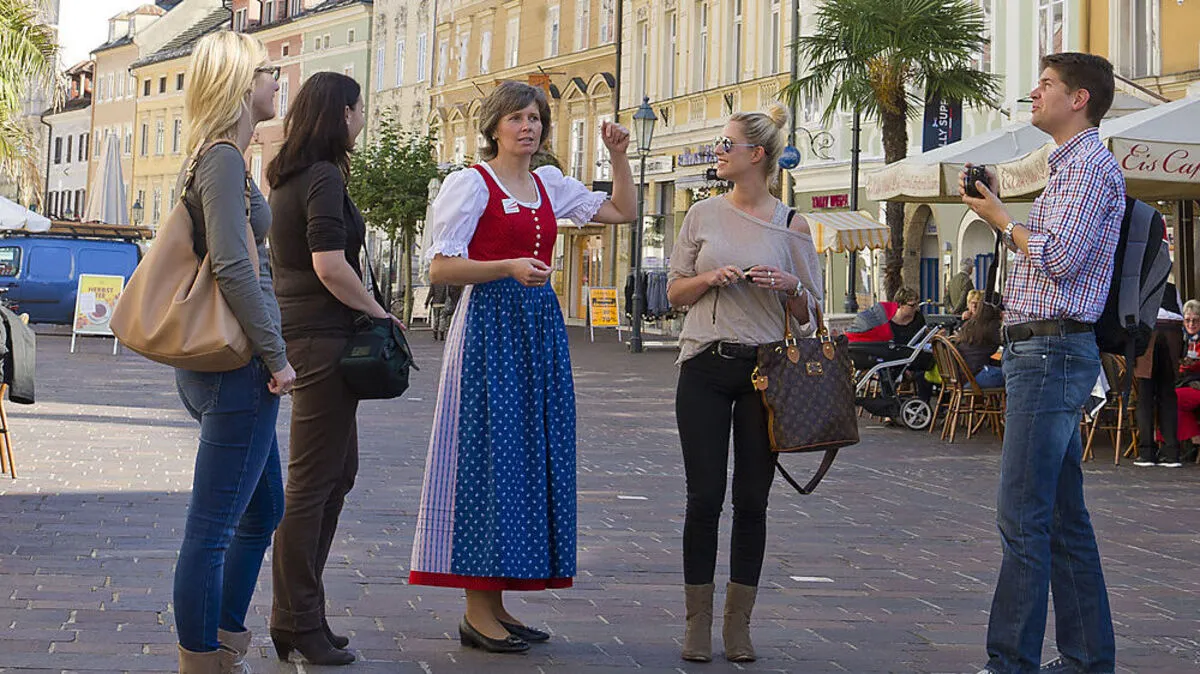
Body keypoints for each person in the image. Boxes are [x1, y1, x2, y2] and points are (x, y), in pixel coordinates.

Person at [408, 81, 636, 654]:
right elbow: (441, 269)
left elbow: (623, 211)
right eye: (516, 118)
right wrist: (506, 266)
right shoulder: (471, 184)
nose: (527, 127)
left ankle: (497, 603)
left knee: (529, 458)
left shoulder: (548, 184)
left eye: (534, 118)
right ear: (494, 127)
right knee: (490, 457)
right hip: (489, 328)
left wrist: (617, 157)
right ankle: (475, 609)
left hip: (537, 328)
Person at [961, 52, 1122, 674]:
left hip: (1051, 350)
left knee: (1022, 514)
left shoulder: (1087, 167)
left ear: (1079, 98)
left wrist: (1002, 220)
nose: (1034, 92)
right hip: (1046, 348)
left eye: (1047, 84)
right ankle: (1085, 658)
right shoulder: (1067, 168)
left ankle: (1011, 662)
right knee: (1059, 517)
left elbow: (1059, 259)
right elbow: (1051, 253)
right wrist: (1004, 213)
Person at [667, 104, 822, 664]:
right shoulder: (701, 215)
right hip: (704, 366)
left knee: (752, 500)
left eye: (726, 143)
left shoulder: (792, 225)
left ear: (756, 155)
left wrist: (788, 285)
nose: (718, 150)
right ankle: (696, 624)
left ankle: (738, 626)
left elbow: (810, 316)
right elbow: (674, 293)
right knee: (704, 496)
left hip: (766, 372)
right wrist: (709, 277)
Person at [171, 31, 294, 673]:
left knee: (263, 508)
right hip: (236, 363)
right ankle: (203, 659)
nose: (277, 81)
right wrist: (276, 355)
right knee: (213, 527)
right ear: (241, 84)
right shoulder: (220, 158)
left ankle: (221, 641)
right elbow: (232, 265)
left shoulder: (227, 158)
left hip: (231, 362)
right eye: (267, 71)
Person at [266, 72, 396, 665]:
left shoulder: (293, 176)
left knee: (337, 474)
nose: (363, 118)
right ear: (342, 113)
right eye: (360, 109)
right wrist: (378, 312)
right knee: (313, 483)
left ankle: (300, 612)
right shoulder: (320, 176)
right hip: (320, 339)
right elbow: (329, 264)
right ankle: (296, 618)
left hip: (310, 336)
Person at [1133, 283, 1184, 468]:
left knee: (1145, 396)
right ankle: (1171, 453)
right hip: (1172, 331)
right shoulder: (1171, 288)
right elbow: (1181, 314)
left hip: (1148, 331)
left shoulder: (1139, 283)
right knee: (1168, 394)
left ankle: (1146, 452)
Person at [1169, 300, 1200, 463]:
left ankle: (1168, 443)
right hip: (1186, 382)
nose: (1191, 324)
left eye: (1195, 320)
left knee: (1172, 398)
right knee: (1167, 396)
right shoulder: (1182, 339)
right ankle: (1193, 441)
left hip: (1197, 384)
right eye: (1187, 320)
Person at [956, 301, 1004, 389]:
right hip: (976, 376)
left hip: (962, 377)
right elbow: (1007, 343)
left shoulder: (968, 325)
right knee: (1015, 375)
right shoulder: (992, 327)